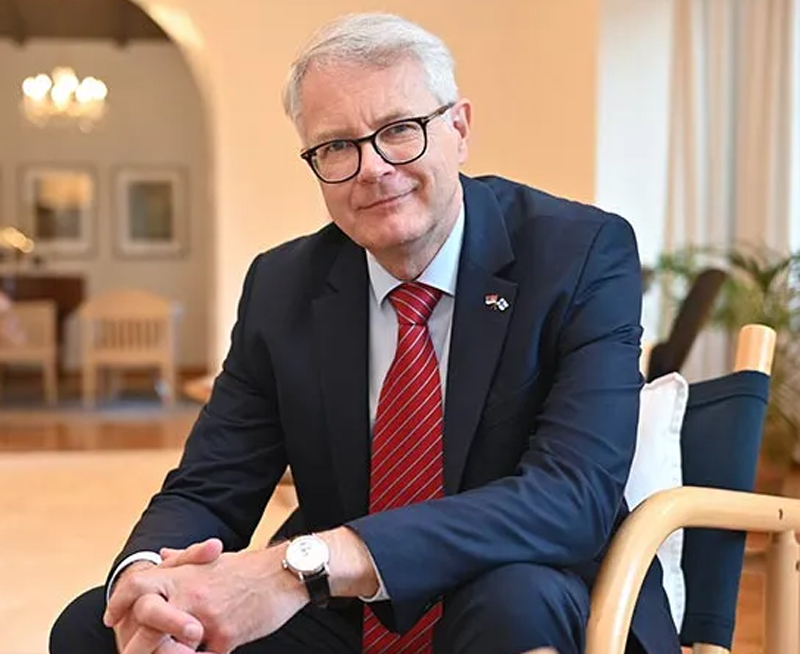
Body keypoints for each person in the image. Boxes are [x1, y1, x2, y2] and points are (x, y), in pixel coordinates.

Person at [50, 12, 681, 654]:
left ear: (459, 129)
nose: (372, 168)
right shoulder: (282, 286)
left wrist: (305, 564)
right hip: (351, 610)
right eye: (336, 147)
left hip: (535, 591)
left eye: (400, 129)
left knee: (510, 602)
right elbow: (212, 484)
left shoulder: (579, 253)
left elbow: (570, 499)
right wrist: (148, 580)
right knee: (99, 629)